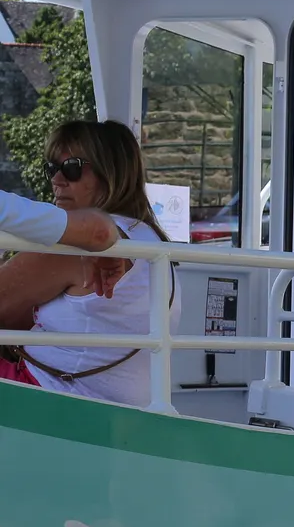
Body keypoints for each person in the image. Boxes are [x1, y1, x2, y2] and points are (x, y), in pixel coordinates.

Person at [0, 121, 175, 405]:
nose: (57, 180)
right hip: (119, 408)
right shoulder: (150, 238)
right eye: (51, 169)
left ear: (110, 173)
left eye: (72, 168)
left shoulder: (76, 244)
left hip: (50, 398)